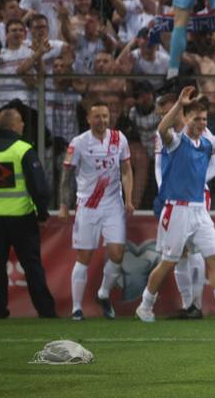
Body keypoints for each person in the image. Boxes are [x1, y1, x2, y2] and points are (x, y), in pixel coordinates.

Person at [136, 86, 215, 322]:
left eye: (204, 119)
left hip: (199, 210)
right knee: (169, 262)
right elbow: (161, 128)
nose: (201, 123)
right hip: (176, 209)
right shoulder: (176, 142)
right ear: (185, 118)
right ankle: (145, 305)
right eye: (196, 118)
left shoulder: (207, 144)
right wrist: (178, 103)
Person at [0, 106, 56, 319]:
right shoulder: (23, 149)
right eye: (21, 122)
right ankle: (45, 311)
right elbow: (38, 186)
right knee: (32, 265)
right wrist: (42, 213)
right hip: (22, 217)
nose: (23, 125)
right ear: (14, 125)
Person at [58, 102, 134, 320]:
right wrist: (64, 205)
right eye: (97, 117)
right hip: (87, 205)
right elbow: (66, 176)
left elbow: (127, 170)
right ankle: (76, 308)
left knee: (117, 254)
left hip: (113, 205)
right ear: (88, 120)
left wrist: (129, 199)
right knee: (84, 256)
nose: (102, 120)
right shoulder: (79, 143)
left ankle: (103, 293)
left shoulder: (119, 139)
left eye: (105, 116)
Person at [151, 92, 215, 319]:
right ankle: (187, 303)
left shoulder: (204, 132)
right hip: (170, 197)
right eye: (164, 110)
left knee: (197, 248)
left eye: (172, 108)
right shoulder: (168, 135)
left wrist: (195, 182)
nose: (167, 113)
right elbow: (160, 165)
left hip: (196, 198)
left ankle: (197, 304)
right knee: (178, 253)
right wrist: (165, 187)